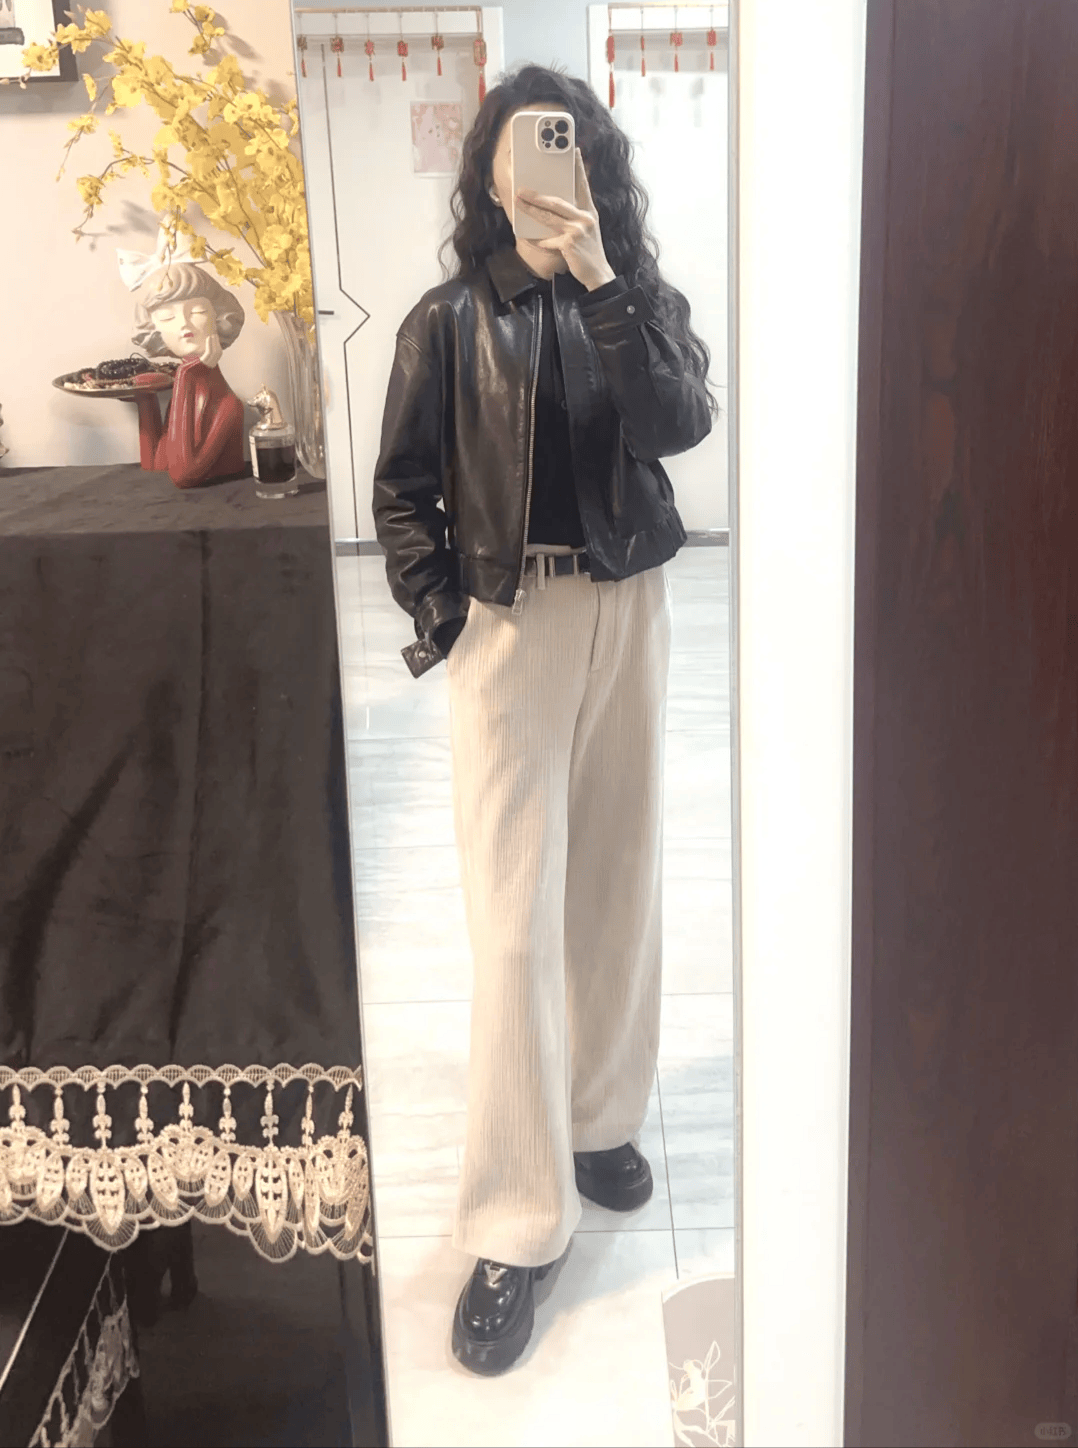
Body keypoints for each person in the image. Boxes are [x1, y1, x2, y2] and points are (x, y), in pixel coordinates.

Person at [372, 62, 718, 1376]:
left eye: (566, 147)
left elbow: (678, 425)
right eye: (522, 147)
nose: (543, 170)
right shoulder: (447, 319)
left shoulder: (634, 298)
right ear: (489, 169)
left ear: (593, 166)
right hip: (511, 625)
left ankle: (598, 1119)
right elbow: (402, 489)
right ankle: (517, 1220)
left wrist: (601, 282)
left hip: (629, 610)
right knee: (515, 917)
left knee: (617, 884)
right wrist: (446, 616)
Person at [130, 262, 247, 488]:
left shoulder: (228, 406)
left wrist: (187, 373)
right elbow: (156, 464)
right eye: (167, 316)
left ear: (219, 318)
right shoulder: (184, 392)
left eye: (198, 311)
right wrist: (145, 399)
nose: (184, 323)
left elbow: (183, 476)